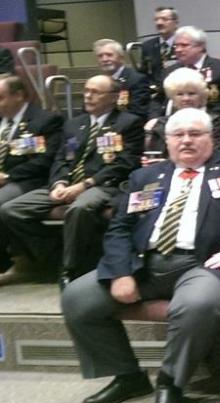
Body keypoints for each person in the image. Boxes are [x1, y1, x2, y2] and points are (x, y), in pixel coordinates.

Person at [60, 108, 220, 403]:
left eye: (196, 134)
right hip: (146, 263)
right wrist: (121, 271)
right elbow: (120, 228)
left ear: (211, 138)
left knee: (197, 304)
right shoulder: (146, 176)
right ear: (166, 141)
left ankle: (170, 382)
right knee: (77, 299)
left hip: (207, 264)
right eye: (178, 135)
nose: (187, 141)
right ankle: (128, 376)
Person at [0, 75, 143, 287]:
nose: (88, 96)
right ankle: (51, 253)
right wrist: (59, 183)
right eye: (86, 90)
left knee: (80, 208)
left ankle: (70, 268)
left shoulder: (128, 123)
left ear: (114, 97)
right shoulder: (75, 124)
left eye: (96, 92)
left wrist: (84, 185)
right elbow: (61, 159)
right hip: (67, 183)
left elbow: (124, 164)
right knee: (11, 210)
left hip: (103, 185)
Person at [0, 75, 64, 272]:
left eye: (0, 97)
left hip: (28, 181)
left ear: (19, 95)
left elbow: (45, 160)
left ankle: (6, 262)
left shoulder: (45, 121)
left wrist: (7, 177)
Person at [152, 26, 220, 128]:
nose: (178, 50)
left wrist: (206, 120)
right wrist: (154, 119)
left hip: (212, 123)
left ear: (201, 46)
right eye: (176, 46)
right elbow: (157, 100)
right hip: (172, 124)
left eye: (184, 45)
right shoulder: (169, 71)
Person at [142, 67, 220, 162]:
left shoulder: (215, 122)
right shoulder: (160, 124)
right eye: (180, 94)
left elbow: (218, 157)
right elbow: (154, 154)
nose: (186, 98)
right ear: (172, 97)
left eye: (191, 94)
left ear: (202, 95)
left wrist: (167, 164)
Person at [93, 39, 151, 119]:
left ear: (121, 58)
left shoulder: (136, 79)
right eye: (100, 56)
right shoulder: (97, 82)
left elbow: (138, 112)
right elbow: (87, 109)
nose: (104, 59)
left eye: (109, 55)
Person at [139, 6, 179, 87]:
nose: (159, 23)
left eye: (164, 19)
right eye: (156, 19)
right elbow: (143, 74)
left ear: (176, 23)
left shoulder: (184, 43)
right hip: (155, 93)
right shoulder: (148, 46)